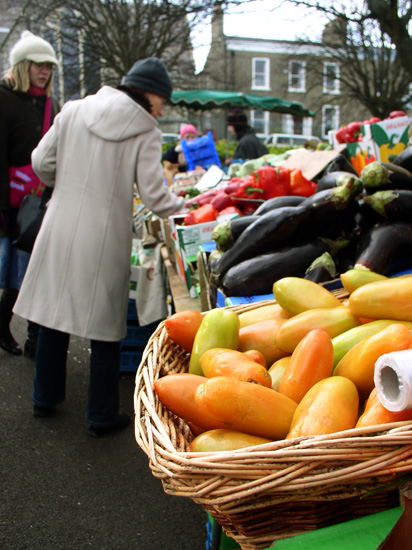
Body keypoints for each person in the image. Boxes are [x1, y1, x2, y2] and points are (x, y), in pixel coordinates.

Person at [13, 57, 186, 437]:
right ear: (150, 92)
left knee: (54, 312)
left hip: (59, 222)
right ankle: (102, 415)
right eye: (164, 100)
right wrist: (185, 203)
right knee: (105, 327)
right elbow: (156, 197)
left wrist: (69, 182)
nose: (163, 108)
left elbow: (41, 161)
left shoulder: (73, 110)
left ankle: (44, 398)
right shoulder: (146, 130)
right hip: (105, 233)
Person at [0, 30, 59, 358]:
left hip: (41, 200)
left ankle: (34, 337)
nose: (45, 71)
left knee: (33, 270)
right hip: (10, 203)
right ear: (22, 65)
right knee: (14, 272)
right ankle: (4, 323)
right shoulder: (4, 98)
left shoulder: (50, 102)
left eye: (49, 66)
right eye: (38, 64)